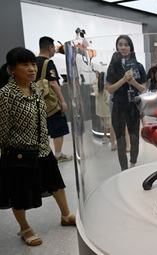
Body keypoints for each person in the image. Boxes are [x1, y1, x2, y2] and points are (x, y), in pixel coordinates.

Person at [0, 47, 76, 247]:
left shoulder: (35, 88)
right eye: (25, 65)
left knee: (57, 184)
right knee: (20, 193)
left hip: (42, 147)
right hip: (20, 153)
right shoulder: (6, 95)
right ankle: (24, 228)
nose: (32, 68)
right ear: (12, 69)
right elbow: (2, 128)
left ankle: (66, 215)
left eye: (33, 64)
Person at [106, 35, 147, 170]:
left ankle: (133, 164)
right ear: (117, 47)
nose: (123, 47)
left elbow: (143, 88)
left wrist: (133, 82)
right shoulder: (113, 67)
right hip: (118, 106)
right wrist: (123, 80)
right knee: (121, 140)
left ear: (131, 47)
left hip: (133, 107)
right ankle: (123, 169)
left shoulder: (139, 66)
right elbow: (110, 89)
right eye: (120, 45)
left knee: (134, 138)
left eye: (126, 45)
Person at [36, 36, 72, 163]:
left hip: (38, 103)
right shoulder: (48, 63)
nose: (54, 51)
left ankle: (44, 154)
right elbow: (53, 84)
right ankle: (57, 155)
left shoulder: (34, 62)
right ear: (49, 48)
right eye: (54, 49)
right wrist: (62, 101)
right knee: (58, 129)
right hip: (51, 104)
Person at [93, 71, 116, 146]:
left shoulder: (97, 87)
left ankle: (105, 137)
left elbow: (95, 87)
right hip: (106, 110)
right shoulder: (106, 88)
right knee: (110, 126)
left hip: (100, 110)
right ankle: (113, 140)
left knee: (105, 125)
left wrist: (96, 79)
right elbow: (108, 100)